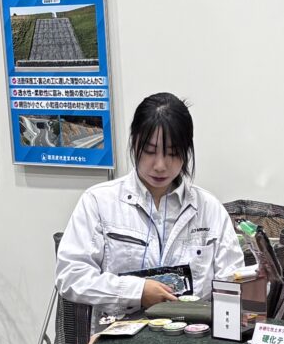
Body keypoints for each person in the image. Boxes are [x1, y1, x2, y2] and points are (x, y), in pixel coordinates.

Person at [56, 92, 243, 312]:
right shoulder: (99, 202)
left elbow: (232, 282)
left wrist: (259, 281)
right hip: (119, 340)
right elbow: (71, 276)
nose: (161, 165)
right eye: (150, 151)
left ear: (187, 150)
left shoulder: (209, 209)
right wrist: (135, 292)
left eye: (173, 153)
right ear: (134, 142)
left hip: (192, 339)